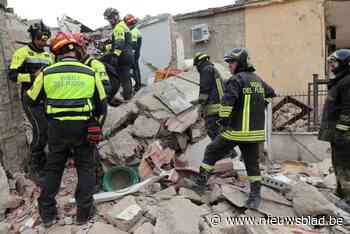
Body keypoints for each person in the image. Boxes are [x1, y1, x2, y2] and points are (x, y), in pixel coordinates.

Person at [23, 32, 107, 227]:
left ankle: (48, 215)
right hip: (84, 128)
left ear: (57, 52)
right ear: (77, 51)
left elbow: (29, 100)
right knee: (85, 167)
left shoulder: (47, 72)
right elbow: (103, 106)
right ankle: (83, 214)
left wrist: (45, 116)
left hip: (56, 129)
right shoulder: (90, 72)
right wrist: (97, 126)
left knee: (53, 169)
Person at [195, 48, 275, 210]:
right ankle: (255, 196)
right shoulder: (257, 80)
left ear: (241, 63)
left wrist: (223, 122)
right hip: (254, 134)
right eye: (229, 62)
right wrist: (261, 104)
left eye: (232, 62)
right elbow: (271, 93)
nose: (229, 65)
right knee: (252, 165)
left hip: (236, 132)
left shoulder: (235, 80)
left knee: (211, 151)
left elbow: (226, 104)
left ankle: (200, 185)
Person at [8, 21, 52, 181]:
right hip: (30, 97)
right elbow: (12, 75)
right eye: (40, 38)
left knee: (47, 131)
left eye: (46, 39)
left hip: (46, 98)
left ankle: (42, 162)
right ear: (33, 37)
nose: (43, 42)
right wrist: (33, 76)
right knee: (41, 131)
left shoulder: (48, 55)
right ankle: (33, 169)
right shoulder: (22, 52)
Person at [319, 49, 350, 213]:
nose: (331, 65)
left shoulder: (347, 81)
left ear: (345, 64)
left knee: (345, 165)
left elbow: (348, 109)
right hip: (338, 133)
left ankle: (349, 201)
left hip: (344, 134)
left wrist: (341, 130)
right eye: (330, 62)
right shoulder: (340, 80)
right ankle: (341, 192)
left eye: (335, 62)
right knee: (338, 163)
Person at [103, 8, 134, 101]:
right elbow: (120, 42)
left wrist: (115, 56)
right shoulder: (123, 26)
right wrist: (107, 47)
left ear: (115, 16)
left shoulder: (118, 27)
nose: (109, 21)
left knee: (120, 78)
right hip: (128, 54)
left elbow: (120, 43)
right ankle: (128, 97)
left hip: (122, 56)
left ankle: (125, 98)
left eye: (110, 19)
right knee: (126, 78)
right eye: (108, 19)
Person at [193, 52, 224, 140]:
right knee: (219, 132)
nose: (197, 68)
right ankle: (228, 151)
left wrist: (200, 106)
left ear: (199, 63)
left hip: (213, 109)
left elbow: (204, 89)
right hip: (220, 107)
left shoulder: (206, 70)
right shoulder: (213, 69)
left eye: (196, 66)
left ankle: (226, 152)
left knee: (212, 130)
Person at [124, 14, 142, 92]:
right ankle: (137, 85)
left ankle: (137, 86)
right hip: (135, 53)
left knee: (134, 70)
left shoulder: (133, 32)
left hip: (133, 53)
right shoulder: (135, 30)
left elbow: (133, 45)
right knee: (135, 69)